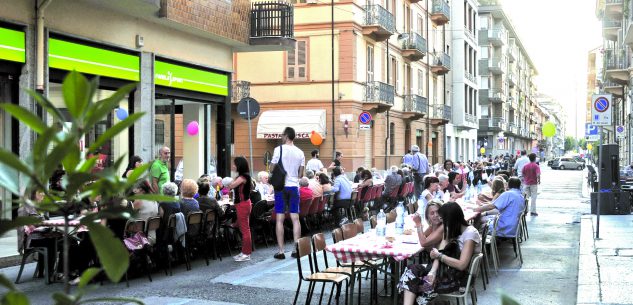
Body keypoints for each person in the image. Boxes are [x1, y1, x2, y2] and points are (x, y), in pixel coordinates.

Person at [398, 202, 481, 305]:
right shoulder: (452, 230)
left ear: (451, 219)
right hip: (444, 270)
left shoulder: (470, 233)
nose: (442, 223)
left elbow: (462, 265)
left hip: (457, 277)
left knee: (415, 284)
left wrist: (440, 256)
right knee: (410, 271)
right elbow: (440, 252)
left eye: (443, 219)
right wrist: (432, 272)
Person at [270, 127, 305, 259]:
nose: (281, 137)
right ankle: (296, 249)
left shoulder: (278, 149)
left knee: (280, 219)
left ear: (286, 136)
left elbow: (272, 167)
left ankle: (281, 251)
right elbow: (301, 174)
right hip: (294, 186)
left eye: (282, 135)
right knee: (295, 218)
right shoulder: (300, 152)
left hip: (281, 187)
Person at [227, 156, 253, 262]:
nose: (233, 166)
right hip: (243, 204)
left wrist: (227, 183)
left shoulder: (243, 177)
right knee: (244, 229)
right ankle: (244, 252)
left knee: (245, 230)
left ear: (239, 165)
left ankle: (246, 253)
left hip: (243, 204)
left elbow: (231, 186)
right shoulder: (243, 176)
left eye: (235, 164)